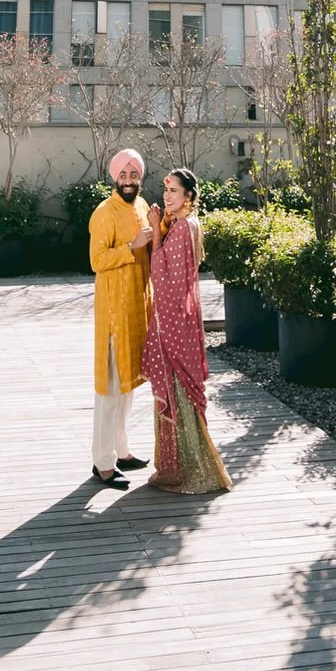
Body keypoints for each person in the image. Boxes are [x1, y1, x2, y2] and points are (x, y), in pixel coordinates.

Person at [143, 168, 232, 495]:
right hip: (183, 319)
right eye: (166, 191)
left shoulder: (182, 229)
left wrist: (154, 230)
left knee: (176, 393)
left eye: (174, 192)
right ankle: (180, 467)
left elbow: (162, 277)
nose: (167, 197)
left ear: (189, 197)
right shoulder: (188, 226)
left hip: (174, 322)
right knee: (180, 394)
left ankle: (188, 470)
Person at [87, 148, 153, 488]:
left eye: (134, 175)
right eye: (123, 176)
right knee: (110, 388)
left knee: (128, 386)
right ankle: (103, 463)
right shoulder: (104, 212)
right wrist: (132, 247)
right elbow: (96, 260)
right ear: (114, 178)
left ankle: (122, 451)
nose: (128, 181)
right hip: (114, 311)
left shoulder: (141, 207)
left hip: (136, 310)